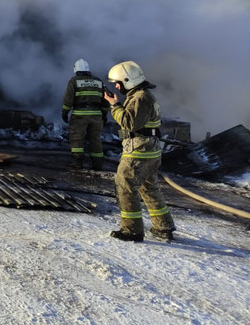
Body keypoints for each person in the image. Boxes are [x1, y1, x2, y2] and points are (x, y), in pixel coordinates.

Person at [105, 61, 176, 242]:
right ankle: (163, 226)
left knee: (125, 185)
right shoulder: (142, 96)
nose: (117, 86)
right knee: (149, 188)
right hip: (149, 150)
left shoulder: (140, 98)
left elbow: (129, 123)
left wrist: (114, 106)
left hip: (139, 152)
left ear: (128, 81)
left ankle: (132, 231)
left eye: (118, 83)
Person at [61, 58, 109, 170]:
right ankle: (97, 165)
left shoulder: (74, 81)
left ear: (76, 70)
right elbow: (106, 99)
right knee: (95, 140)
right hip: (96, 116)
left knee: (77, 139)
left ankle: (77, 164)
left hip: (80, 116)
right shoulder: (98, 81)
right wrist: (104, 114)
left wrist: (65, 112)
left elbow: (68, 98)